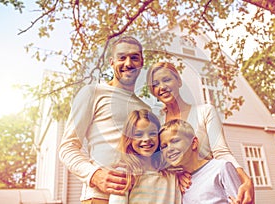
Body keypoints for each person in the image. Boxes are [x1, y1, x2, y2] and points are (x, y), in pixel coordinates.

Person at [59, 36, 151, 204]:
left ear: (141, 63)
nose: (128, 63)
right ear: (112, 62)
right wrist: (94, 175)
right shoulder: (92, 93)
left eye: (134, 57)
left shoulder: (147, 109)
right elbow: (67, 147)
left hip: (140, 197)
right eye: (122, 57)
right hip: (99, 197)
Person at [147, 62, 254, 204]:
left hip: (210, 188)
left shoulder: (205, 112)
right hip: (180, 191)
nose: (162, 87)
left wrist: (246, 180)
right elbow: (155, 162)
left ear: (178, 81)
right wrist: (175, 175)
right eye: (155, 84)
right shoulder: (157, 123)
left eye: (166, 80)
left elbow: (221, 152)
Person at [159, 119, 242, 204]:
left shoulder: (221, 168)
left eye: (175, 141)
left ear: (194, 143)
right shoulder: (178, 182)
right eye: (164, 146)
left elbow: (239, 200)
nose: (169, 149)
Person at [109, 109, 181, 204]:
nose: (146, 139)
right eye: (138, 134)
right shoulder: (125, 174)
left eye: (152, 133)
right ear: (129, 139)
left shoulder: (171, 174)